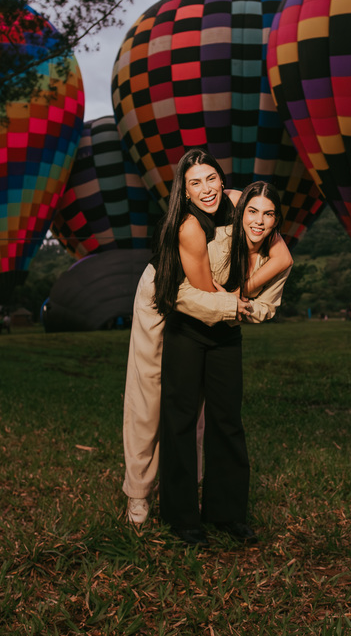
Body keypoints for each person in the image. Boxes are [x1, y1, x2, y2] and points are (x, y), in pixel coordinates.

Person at [121, 150, 291, 527]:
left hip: (212, 296)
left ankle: (194, 486)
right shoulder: (189, 226)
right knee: (149, 396)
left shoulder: (238, 202)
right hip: (164, 295)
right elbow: (207, 295)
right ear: (183, 189)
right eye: (194, 182)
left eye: (211, 178)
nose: (206, 189)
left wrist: (243, 292)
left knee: (202, 403)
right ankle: (139, 494)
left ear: (222, 179)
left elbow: (283, 257)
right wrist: (239, 302)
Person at [159, 181, 292, 546]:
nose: (259, 221)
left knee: (227, 422)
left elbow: (268, 308)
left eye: (268, 214)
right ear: (241, 213)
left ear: (276, 220)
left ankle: (227, 513)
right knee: (180, 420)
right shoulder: (215, 239)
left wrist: (241, 299)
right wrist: (230, 304)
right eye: (252, 211)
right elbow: (180, 291)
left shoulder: (275, 259)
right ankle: (181, 517)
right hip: (186, 330)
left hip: (227, 336)